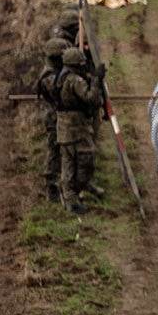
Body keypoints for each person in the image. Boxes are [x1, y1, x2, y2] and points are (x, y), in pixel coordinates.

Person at [55, 47, 104, 214]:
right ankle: (71, 195)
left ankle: (69, 201)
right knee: (86, 162)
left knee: (68, 166)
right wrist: (96, 80)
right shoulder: (75, 80)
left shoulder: (59, 77)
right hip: (77, 129)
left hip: (63, 128)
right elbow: (92, 99)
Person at [35, 38, 68, 203]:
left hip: (60, 117)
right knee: (54, 150)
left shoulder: (56, 71)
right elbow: (60, 91)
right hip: (53, 118)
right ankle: (51, 184)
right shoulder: (48, 76)